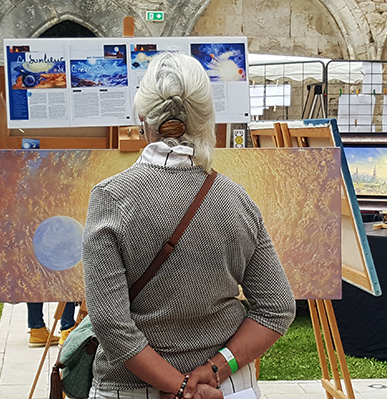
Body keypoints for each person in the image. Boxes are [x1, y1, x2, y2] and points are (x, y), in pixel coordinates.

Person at [83, 52, 296, 399]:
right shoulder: (235, 199)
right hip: (227, 388)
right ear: (206, 118)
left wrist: (180, 387)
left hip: (132, 389)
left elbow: (112, 324)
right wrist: (212, 370)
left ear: (141, 118)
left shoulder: (112, 198)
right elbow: (277, 307)